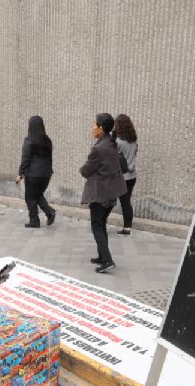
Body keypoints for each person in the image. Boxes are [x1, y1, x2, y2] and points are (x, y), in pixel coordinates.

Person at [80, 113, 127, 273]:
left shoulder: (99, 148)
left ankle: (107, 260)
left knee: (97, 226)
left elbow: (85, 171)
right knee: (102, 225)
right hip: (110, 193)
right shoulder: (111, 143)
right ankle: (102, 256)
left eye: (94, 124)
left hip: (101, 194)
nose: (92, 127)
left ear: (101, 128)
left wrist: (83, 169)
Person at [16, 116, 56, 228]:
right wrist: (49, 170)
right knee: (37, 195)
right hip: (46, 174)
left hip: (33, 175)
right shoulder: (47, 140)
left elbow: (25, 158)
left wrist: (20, 173)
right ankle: (49, 212)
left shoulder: (29, 140)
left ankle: (35, 221)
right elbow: (50, 158)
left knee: (30, 197)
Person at [113, 114, 138, 235]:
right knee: (126, 202)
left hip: (122, 176)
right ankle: (127, 227)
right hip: (132, 176)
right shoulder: (134, 140)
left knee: (113, 200)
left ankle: (99, 222)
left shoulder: (118, 142)